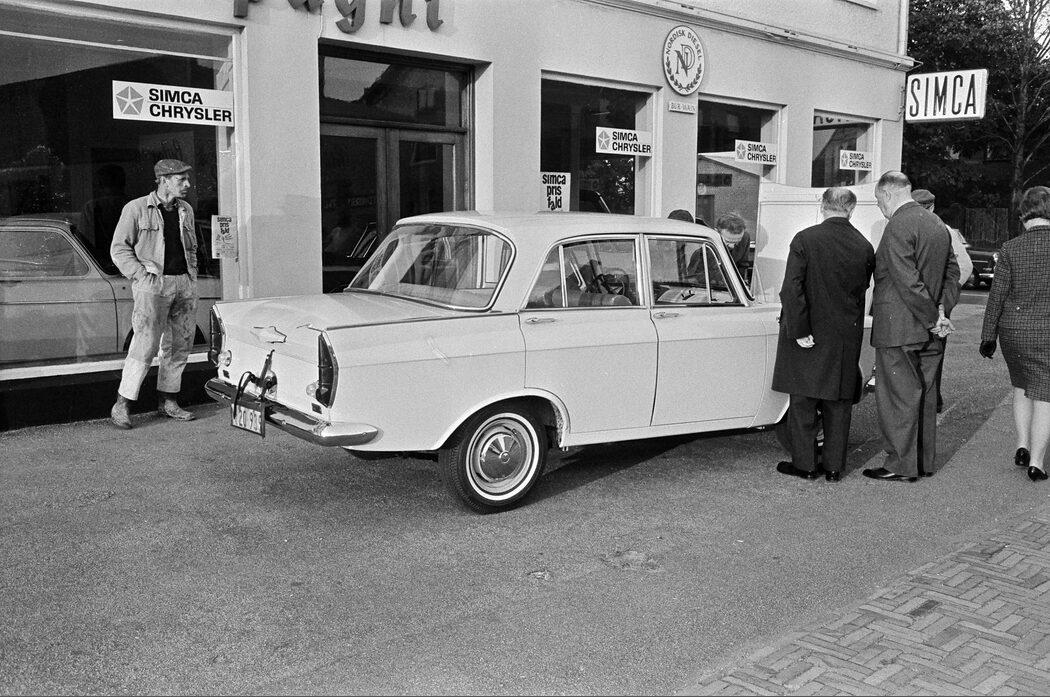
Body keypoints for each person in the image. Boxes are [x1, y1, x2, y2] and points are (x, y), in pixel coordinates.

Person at [771, 187, 875, 482]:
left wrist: (799, 329)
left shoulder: (805, 239)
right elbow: (860, 291)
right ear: (851, 209)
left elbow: (792, 288)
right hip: (844, 335)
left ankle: (805, 465)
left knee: (803, 401)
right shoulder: (864, 246)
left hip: (809, 332)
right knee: (838, 403)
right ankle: (833, 467)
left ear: (822, 205)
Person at [863, 171, 960, 482]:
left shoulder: (897, 225)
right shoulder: (938, 225)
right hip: (931, 331)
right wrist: (941, 311)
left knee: (898, 398)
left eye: (878, 201)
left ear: (888, 194)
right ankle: (922, 463)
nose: (880, 207)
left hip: (900, 328)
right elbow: (953, 273)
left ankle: (900, 466)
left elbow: (906, 280)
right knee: (925, 397)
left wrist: (933, 318)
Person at [108, 159, 200, 429]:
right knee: (145, 344)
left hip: (183, 283)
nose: (187, 184)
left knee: (179, 345)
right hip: (153, 285)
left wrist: (191, 276)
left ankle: (168, 401)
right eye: (181, 179)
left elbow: (192, 247)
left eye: (187, 179)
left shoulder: (185, 210)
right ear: (163, 180)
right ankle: (122, 404)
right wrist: (140, 275)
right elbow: (119, 248)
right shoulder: (136, 208)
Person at [980, 186, 1050, 482]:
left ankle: (1022, 445)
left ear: (1023, 214)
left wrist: (988, 336)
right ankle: (1037, 462)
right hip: (1046, 333)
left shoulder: (1010, 248)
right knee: (1045, 395)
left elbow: (996, 296)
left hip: (1013, 332)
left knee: (1021, 386)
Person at [911, 188, 973, 413]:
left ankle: (930, 400)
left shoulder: (944, 230)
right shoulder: (940, 229)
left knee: (929, 352)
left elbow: (964, 266)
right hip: (928, 301)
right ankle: (926, 400)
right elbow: (964, 266)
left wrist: (946, 297)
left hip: (930, 302)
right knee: (928, 353)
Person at [714, 210, 752, 280]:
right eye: (728, 241)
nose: (732, 246)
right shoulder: (706, 248)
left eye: (737, 241)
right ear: (716, 233)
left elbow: (743, 264)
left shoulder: (745, 238)